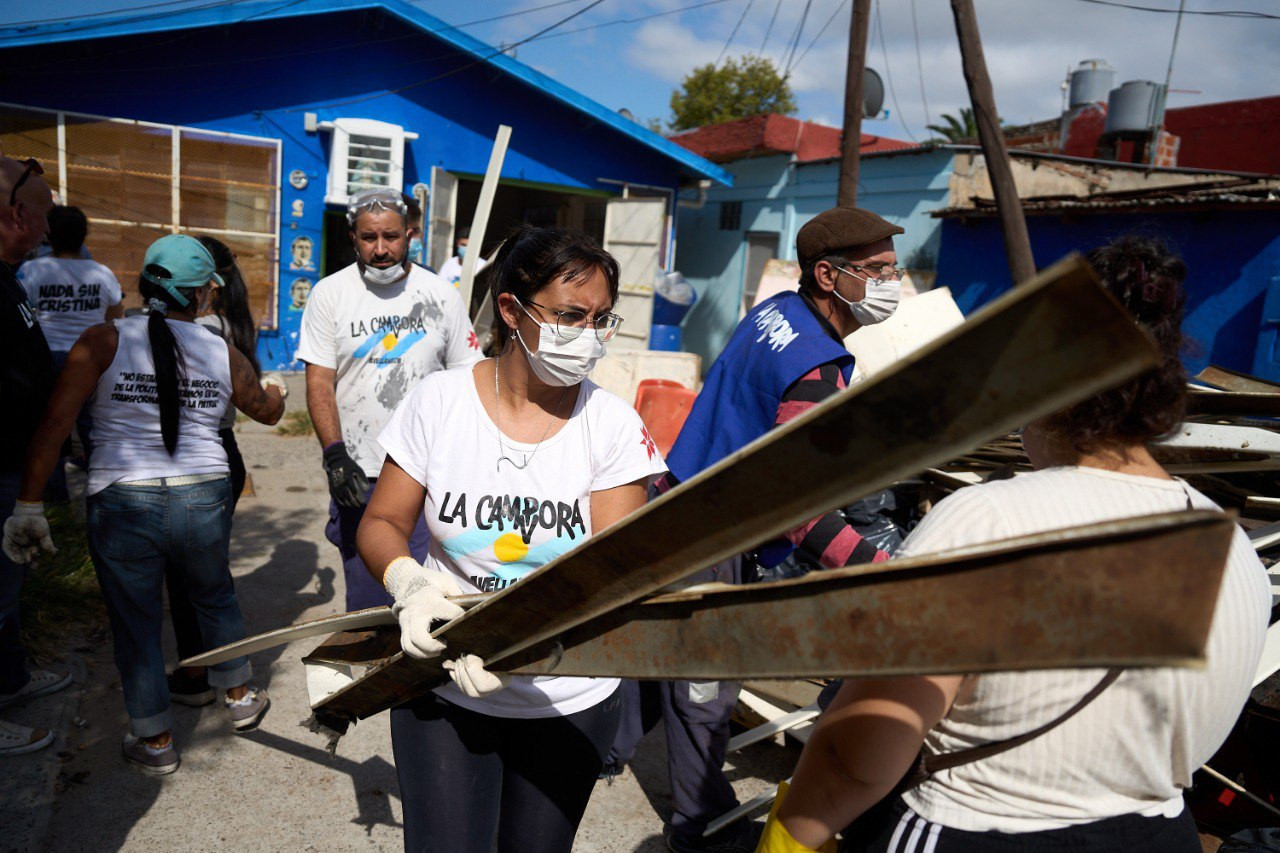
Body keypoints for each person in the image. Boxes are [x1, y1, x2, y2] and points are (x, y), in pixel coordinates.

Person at [763, 235, 1271, 853]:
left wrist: (790, 835)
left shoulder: (985, 521)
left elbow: (859, 754)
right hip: (1161, 836)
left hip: (978, 830)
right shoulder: (1231, 546)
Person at [356, 224, 665, 852]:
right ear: (511, 310)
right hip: (444, 682)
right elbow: (382, 523)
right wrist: (409, 585)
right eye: (571, 315)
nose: (590, 335)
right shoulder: (440, 403)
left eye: (602, 318)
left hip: (568, 693)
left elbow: (617, 572)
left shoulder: (609, 425)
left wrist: (521, 640)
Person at [607, 206, 906, 853]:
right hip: (710, 537)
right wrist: (878, 573)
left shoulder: (774, 314)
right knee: (706, 692)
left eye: (893, 266)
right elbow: (797, 512)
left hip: (680, 496)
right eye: (878, 269)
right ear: (829, 275)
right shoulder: (817, 366)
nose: (893, 280)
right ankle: (698, 831)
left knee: (660, 660)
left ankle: (601, 746)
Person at [3, 233, 287, 774]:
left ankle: (154, 741)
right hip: (203, 491)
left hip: (121, 498)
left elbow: (56, 425)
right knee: (214, 595)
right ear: (202, 295)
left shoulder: (101, 340)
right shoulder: (221, 350)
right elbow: (264, 411)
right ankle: (240, 696)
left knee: (134, 620)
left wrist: (29, 505)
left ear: (143, 283)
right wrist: (277, 390)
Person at [297, 188, 480, 611]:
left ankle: (421, 676)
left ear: (411, 234)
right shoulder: (330, 294)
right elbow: (320, 381)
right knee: (367, 597)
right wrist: (334, 455)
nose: (381, 249)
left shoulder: (441, 295)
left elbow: (468, 376)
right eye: (369, 238)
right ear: (352, 237)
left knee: (428, 591)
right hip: (360, 473)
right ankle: (368, 674)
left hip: (428, 471)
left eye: (392, 237)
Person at [164, 234, 276, 707]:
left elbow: (262, 408)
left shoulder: (198, 328)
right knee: (207, 569)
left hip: (191, 451)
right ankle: (227, 675)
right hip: (221, 451)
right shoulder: (232, 324)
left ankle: (203, 674)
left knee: (192, 575)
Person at [0, 156, 71, 756]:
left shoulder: (9, 276)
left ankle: (11, 680)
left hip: (15, 463)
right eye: (44, 216)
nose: (50, 231)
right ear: (17, 214)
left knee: (8, 586)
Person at [18, 205, 124, 458]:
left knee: (49, 423)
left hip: (46, 357)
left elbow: (19, 315)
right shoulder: (103, 273)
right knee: (92, 423)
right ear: (84, 236)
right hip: (91, 359)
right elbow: (114, 316)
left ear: (48, 234)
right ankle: (97, 476)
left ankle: (53, 490)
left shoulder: (31, 271)